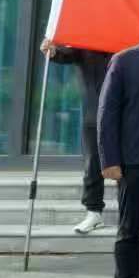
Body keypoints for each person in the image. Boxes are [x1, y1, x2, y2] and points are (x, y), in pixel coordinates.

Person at [41, 40, 113, 234]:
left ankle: (131, 214)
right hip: (94, 114)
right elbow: (66, 53)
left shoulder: (129, 41)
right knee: (93, 164)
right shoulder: (85, 39)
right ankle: (94, 212)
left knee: (129, 167)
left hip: (127, 114)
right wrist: (52, 51)